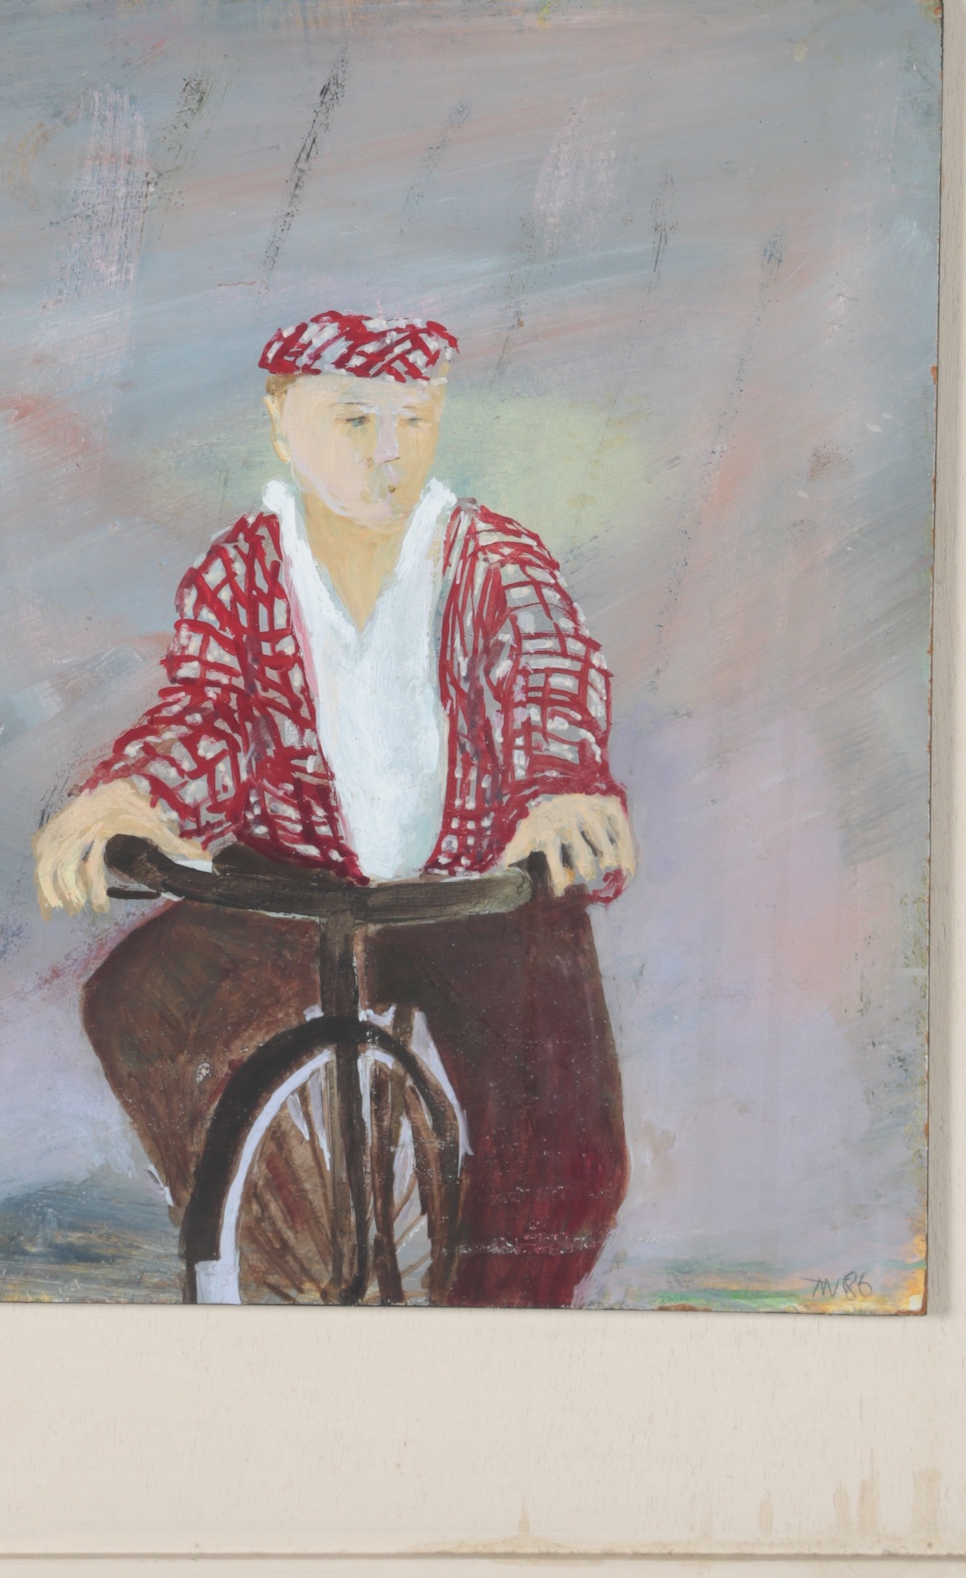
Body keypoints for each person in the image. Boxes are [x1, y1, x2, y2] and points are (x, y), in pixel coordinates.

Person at [33, 310, 636, 1305]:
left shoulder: (493, 560)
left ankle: (490, 1328)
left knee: (557, 1140)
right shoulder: (243, 571)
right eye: (355, 420)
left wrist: (555, 789)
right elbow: (209, 718)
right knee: (140, 1005)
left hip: (472, 893)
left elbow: (547, 679)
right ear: (284, 423)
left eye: (414, 421)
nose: (387, 452)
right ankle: (282, 1255)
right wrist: (135, 793)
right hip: (301, 890)